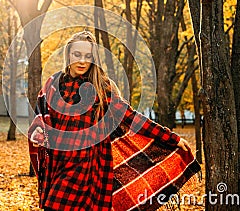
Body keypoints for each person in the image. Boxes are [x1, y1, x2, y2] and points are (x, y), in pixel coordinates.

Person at [28, 30, 192, 211]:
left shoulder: (100, 87)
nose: (82, 61)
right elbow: (39, 117)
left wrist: (171, 138)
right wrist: (39, 132)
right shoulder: (52, 84)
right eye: (77, 54)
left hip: (86, 167)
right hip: (56, 162)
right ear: (68, 54)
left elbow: (131, 117)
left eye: (88, 56)